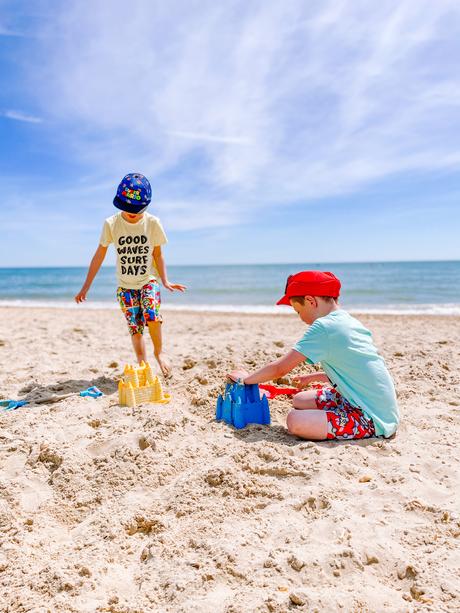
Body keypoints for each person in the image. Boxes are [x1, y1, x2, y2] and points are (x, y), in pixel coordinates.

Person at [228, 271, 399, 441]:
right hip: (366, 400)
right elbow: (354, 371)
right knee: (300, 399)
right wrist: (312, 377)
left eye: (298, 311)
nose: (300, 318)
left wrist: (246, 380)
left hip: (371, 418)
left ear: (310, 301)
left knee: (294, 420)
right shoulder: (346, 320)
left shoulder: (324, 327)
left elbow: (280, 369)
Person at [75, 173, 186, 376]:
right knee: (135, 328)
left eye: (137, 209)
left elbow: (158, 254)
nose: (132, 213)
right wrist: (86, 286)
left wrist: (165, 280)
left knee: (151, 314)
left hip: (148, 280)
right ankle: (142, 364)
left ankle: (159, 353)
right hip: (125, 285)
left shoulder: (153, 223)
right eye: (127, 208)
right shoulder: (111, 224)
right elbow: (99, 255)